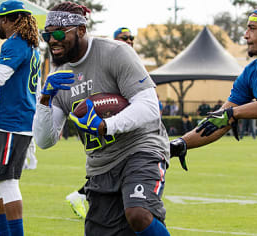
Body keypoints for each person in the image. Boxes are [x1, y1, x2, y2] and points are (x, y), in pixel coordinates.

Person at [34, 2, 170, 235]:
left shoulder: (115, 52)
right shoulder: (57, 77)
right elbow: (45, 141)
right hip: (100, 165)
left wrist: (107, 125)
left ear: (81, 30)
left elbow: (149, 107)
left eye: (58, 33)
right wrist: (45, 99)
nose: (52, 40)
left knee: (139, 213)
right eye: (47, 34)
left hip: (139, 148)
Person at [170, 5, 257, 235]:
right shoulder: (252, 72)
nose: (246, 35)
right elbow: (219, 120)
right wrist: (179, 144)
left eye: (252, 28)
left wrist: (235, 114)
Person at [0, 1, 40, 235]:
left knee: (7, 182)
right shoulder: (29, 45)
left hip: (14, 121)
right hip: (14, 120)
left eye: (0, 19)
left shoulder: (16, 44)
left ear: (11, 20)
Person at [64, 25, 137, 219]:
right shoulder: (106, 63)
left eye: (131, 38)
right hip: (105, 129)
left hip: (122, 130)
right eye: (124, 37)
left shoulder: (130, 62)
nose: (129, 40)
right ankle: (80, 194)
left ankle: (80, 194)